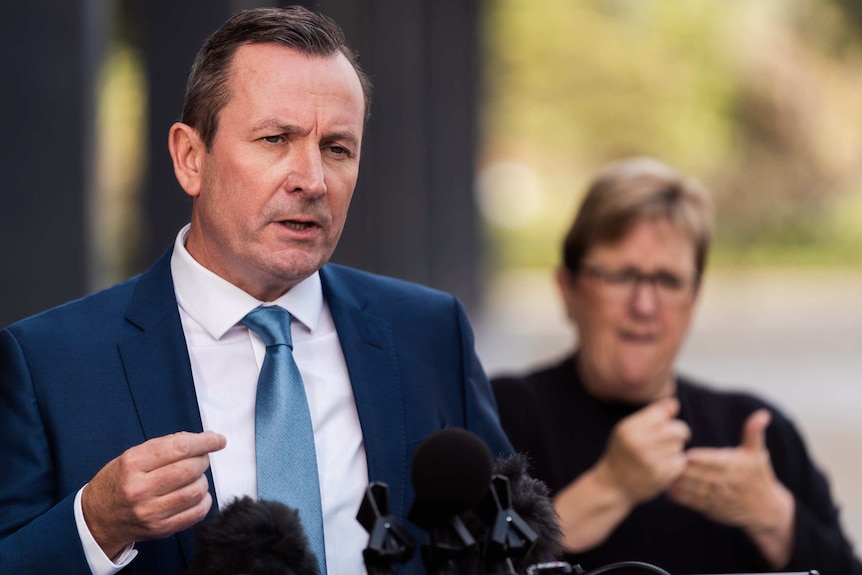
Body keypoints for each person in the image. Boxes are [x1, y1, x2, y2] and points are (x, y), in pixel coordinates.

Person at [0, 7, 512, 575]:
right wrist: (95, 525)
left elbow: (507, 536)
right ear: (190, 158)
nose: (313, 180)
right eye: (275, 139)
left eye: (337, 148)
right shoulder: (48, 363)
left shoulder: (429, 332)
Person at [491, 157, 862, 575]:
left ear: (694, 298)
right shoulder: (501, 416)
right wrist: (608, 487)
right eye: (621, 275)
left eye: (668, 280)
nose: (644, 305)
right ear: (568, 289)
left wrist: (775, 517)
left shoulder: (752, 433)